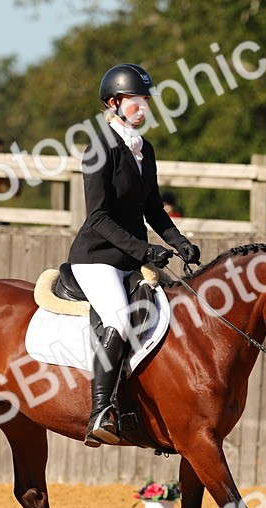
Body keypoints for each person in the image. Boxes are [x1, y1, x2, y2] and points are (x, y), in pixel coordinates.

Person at [66, 63, 201, 447]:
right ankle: (100, 411)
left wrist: (179, 242)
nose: (143, 107)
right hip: (97, 257)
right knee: (120, 319)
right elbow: (98, 216)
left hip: (130, 258)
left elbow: (154, 209)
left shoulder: (145, 150)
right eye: (136, 101)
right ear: (114, 103)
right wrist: (145, 250)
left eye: (145, 100)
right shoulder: (99, 147)